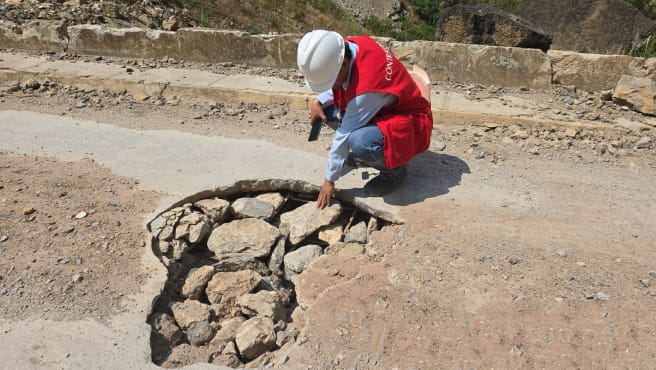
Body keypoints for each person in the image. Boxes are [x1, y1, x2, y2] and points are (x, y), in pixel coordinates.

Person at [296, 30, 433, 209]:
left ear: (343, 64)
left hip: (412, 121)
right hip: (383, 108)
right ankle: (372, 152)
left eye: (330, 82)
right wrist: (319, 100)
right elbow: (338, 83)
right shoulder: (346, 47)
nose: (330, 86)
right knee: (327, 109)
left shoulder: (366, 90)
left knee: (359, 142)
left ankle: (395, 172)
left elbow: (344, 133)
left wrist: (329, 180)